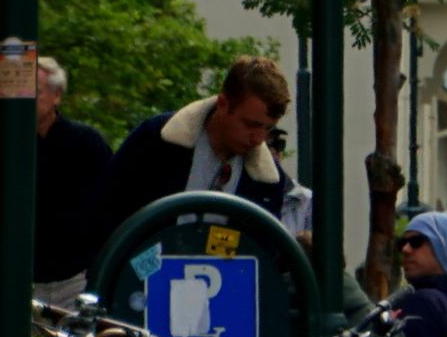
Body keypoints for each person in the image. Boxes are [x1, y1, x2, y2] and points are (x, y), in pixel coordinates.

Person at [95, 55, 300, 258]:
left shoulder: (268, 181)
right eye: (251, 125)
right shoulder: (156, 139)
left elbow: (261, 257)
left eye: (268, 128)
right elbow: (107, 212)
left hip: (223, 285)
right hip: (139, 281)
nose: (259, 138)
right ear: (222, 103)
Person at [29, 56, 118, 298]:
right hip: (19, 277)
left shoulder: (86, 142)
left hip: (75, 279)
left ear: (57, 96)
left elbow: (111, 204)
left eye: (36, 92)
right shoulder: (9, 148)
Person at [384, 211, 447, 337]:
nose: (405, 250)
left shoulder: (425, 301)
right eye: (402, 243)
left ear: (442, 248)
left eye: (416, 242)